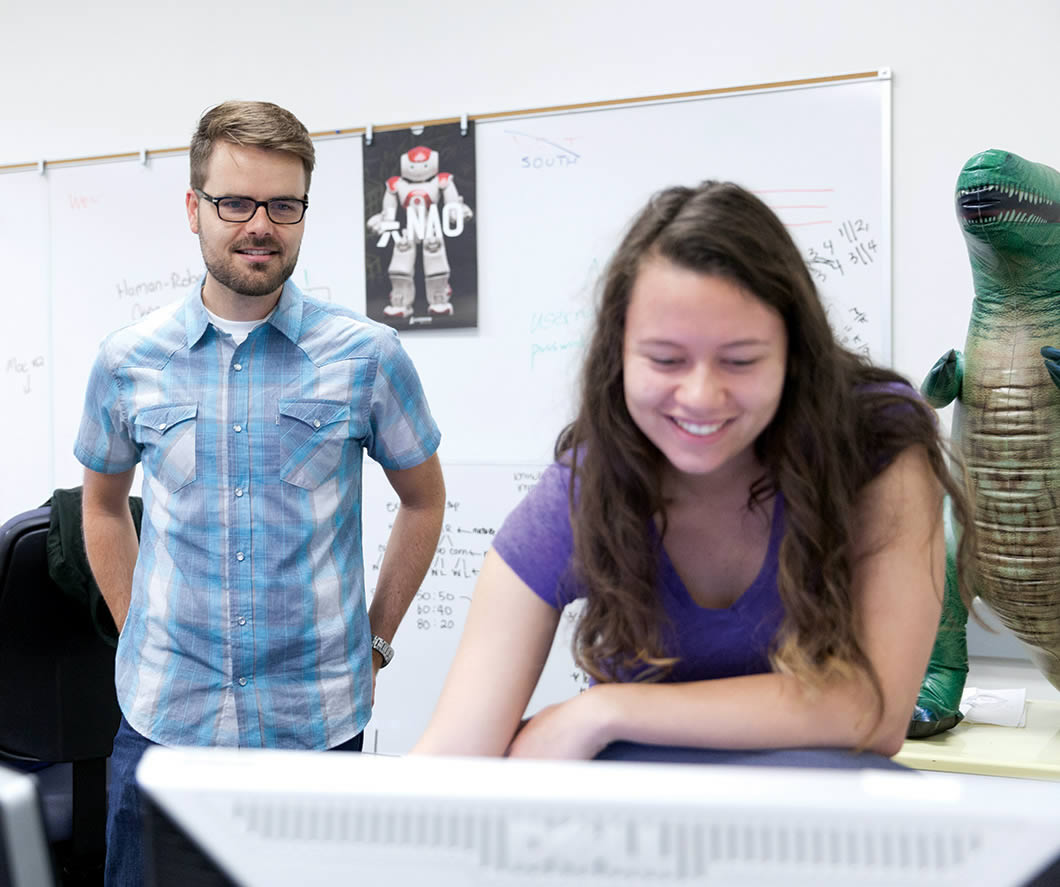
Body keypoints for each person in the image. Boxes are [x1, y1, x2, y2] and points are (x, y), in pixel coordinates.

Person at [414, 181, 975, 765]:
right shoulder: (587, 487)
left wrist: (605, 711)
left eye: (740, 360)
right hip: (644, 828)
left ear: (794, 354)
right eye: (665, 359)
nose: (702, 395)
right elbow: (456, 749)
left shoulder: (876, 442)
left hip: (818, 825)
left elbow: (875, 711)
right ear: (619, 356)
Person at [76, 100, 445, 885]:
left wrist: (377, 639)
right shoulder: (126, 361)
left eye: (284, 204)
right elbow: (103, 505)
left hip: (315, 725)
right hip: (163, 724)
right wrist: (133, 624)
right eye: (235, 202)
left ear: (304, 211)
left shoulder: (368, 357)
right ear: (193, 208)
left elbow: (424, 499)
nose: (260, 225)